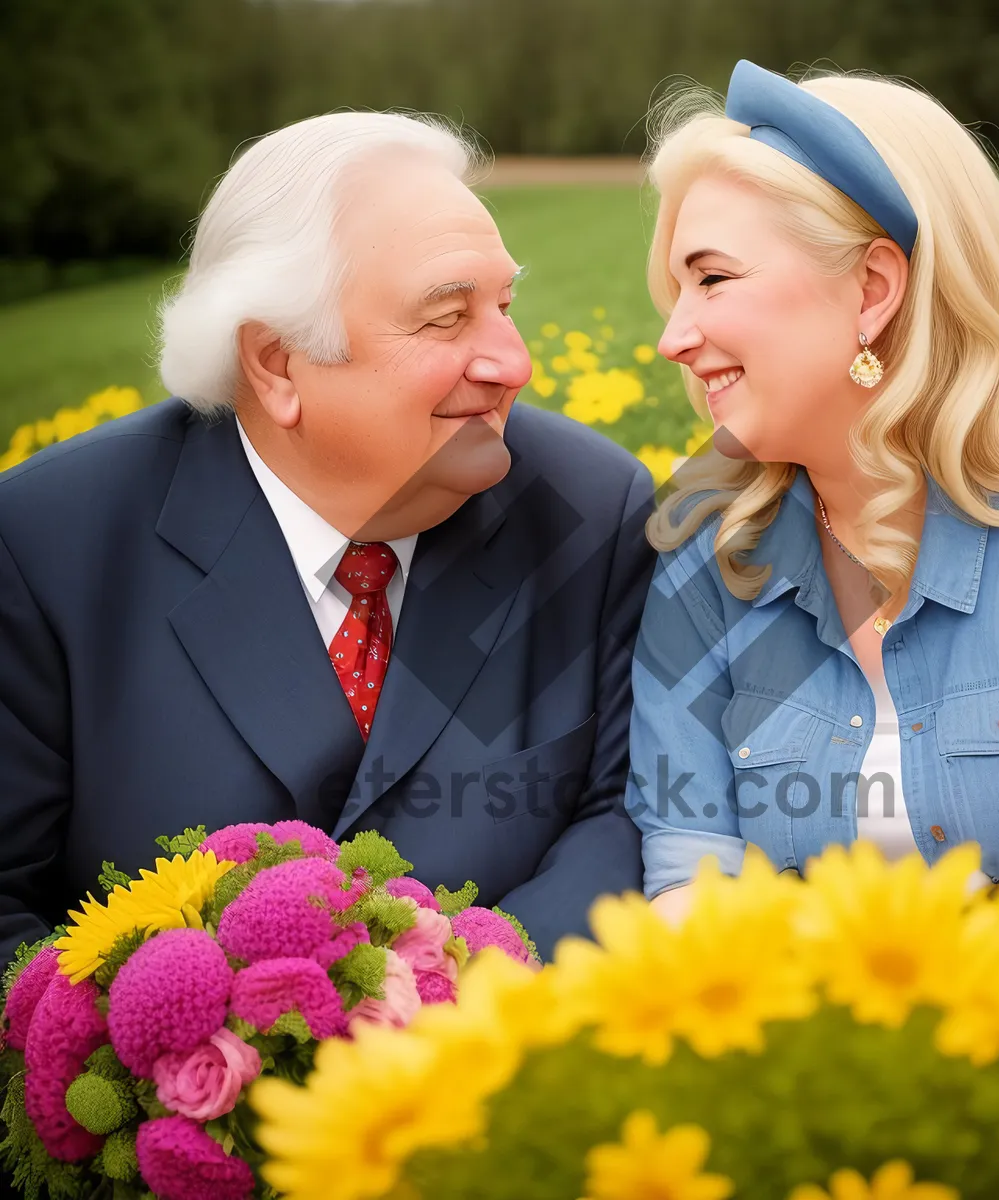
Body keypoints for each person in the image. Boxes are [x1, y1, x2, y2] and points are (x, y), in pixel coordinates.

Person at [0, 111, 654, 966]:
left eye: (504, 304)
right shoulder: (50, 544)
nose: (514, 360)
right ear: (276, 364)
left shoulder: (591, 509)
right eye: (446, 317)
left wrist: (457, 1014)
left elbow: (622, 816)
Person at [625, 60, 999, 978]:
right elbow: (690, 866)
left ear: (873, 290)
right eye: (679, 288)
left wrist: (976, 1057)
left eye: (713, 280)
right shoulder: (705, 537)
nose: (673, 336)